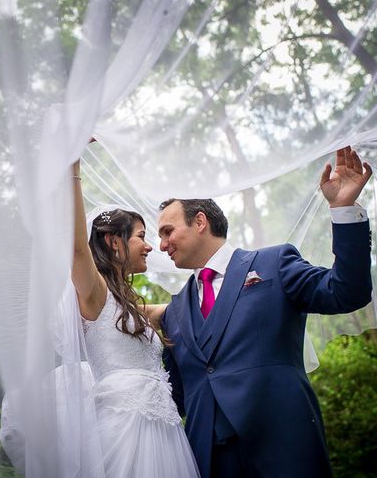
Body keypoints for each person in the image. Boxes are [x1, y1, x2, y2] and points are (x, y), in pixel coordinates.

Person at [157, 146, 373, 478]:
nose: (162, 245)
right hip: (208, 461)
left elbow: (346, 293)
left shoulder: (274, 263)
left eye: (167, 231)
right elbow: (177, 398)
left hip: (284, 447)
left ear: (200, 221)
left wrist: (342, 209)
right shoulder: (173, 312)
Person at [70, 159, 200, 477]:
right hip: (122, 431)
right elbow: (76, 250)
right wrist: (71, 167)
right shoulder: (93, 294)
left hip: (165, 431)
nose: (149, 246)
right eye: (141, 237)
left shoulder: (129, 308)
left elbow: (186, 309)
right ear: (114, 241)